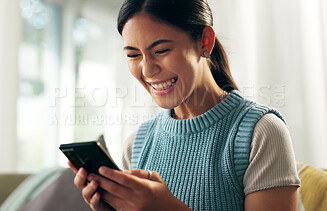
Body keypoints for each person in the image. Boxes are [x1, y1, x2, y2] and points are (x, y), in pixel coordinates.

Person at [69, 0, 301, 210]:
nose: (147, 70)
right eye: (133, 55)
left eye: (161, 50)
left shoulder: (260, 132)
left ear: (205, 42)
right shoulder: (137, 144)